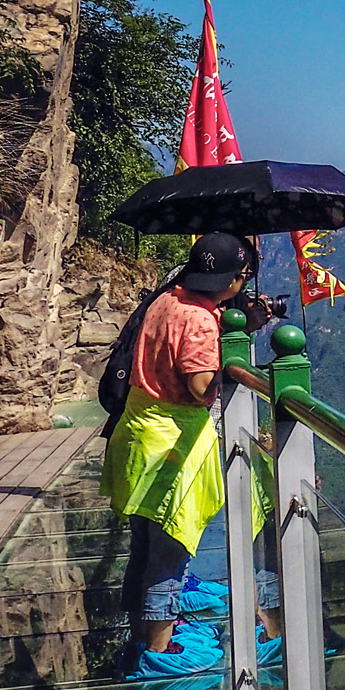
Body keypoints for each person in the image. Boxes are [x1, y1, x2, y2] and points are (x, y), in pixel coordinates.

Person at [103, 232, 255, 662]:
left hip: (139, 430)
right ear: (229, 280)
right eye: (243, 276)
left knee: (144, 547)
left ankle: (139, 638)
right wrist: (228, 370)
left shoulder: (165, 299)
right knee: (170, 555)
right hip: (172, 444)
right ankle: (160, 652)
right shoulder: (200, 319)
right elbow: (200, 385)